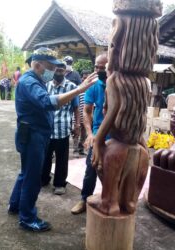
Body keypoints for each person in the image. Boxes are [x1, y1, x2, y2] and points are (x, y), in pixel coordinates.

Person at [8, 47, 97, 232]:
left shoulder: (35, 79)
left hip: (34, 133)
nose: (54, 71)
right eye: (50, 66)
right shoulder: (29, 82)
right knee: (32, 178)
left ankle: (15, 205)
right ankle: (27, 218)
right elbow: (48, 102)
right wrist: (79, 90)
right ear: (38, 64)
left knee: (26, 173)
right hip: (33, 135)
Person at [71, 54, 108, 214]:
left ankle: (112, 199)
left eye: (102, 67)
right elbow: (86, 111)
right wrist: (90, 134)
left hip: (117, 136)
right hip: (98, 134)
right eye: (96, 67)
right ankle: (85, 200)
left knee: (114, 170)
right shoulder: (93, 86)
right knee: (91, 169)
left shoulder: (119, 85)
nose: (99, 70)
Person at [41, 64, 80, 195]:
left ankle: (59, 184)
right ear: (53, 70)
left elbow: (76, 108)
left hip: (63, 129)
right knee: (45, 157)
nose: (59, 72)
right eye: (57, 70)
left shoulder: (71, 87)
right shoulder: (45, 85)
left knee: (62, 159)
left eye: (61, 70)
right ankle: (43, 179)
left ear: (65, 71)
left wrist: (77, 125)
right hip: (47, 129)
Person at [73, 70, 91, 155]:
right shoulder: (78, 88)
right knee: (76, 132)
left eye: (87, 77)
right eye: (84, 77)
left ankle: (81, 149)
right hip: (78, 114)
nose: (85, 79)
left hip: (86, 115)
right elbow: (76, 104)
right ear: (81, 78)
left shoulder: (91, 89)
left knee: (84, 133)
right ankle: (75, 150)